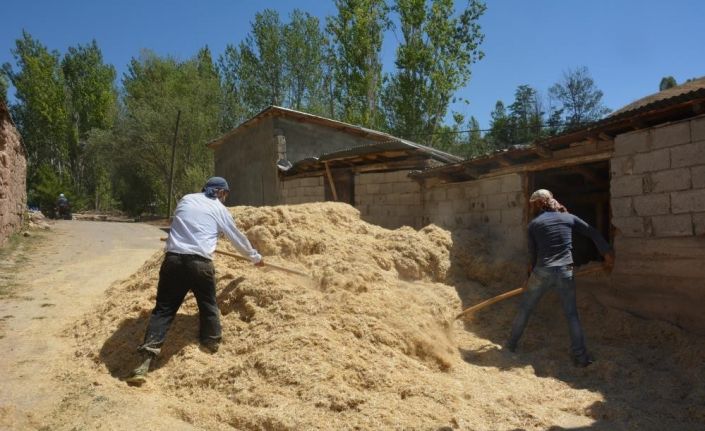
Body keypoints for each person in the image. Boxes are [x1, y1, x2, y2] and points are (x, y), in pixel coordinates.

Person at [126, 177, 263, 385]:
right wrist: (255, 257)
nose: (225, 198)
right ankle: (211, 345)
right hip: (200, 264)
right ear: (221, 193)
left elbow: (186, 225)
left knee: (163, 310)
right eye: (225, 195)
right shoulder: (219, 209)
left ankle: (144, 362)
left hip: (172, 261)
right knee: (208, 305)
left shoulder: (186, 199)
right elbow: (236, 237)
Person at [504, 189, 614, 367]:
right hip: (565, 271)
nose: (532, 207)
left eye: (533, 204)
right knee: (571, 315)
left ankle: (510, 347)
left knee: (525, 309)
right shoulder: (568, 218)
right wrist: (607, 253)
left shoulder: (534, 224)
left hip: (542, 272)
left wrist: (528, 278)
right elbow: (592, 232)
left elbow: (533, 256)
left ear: (538, 204)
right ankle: (581, 358)